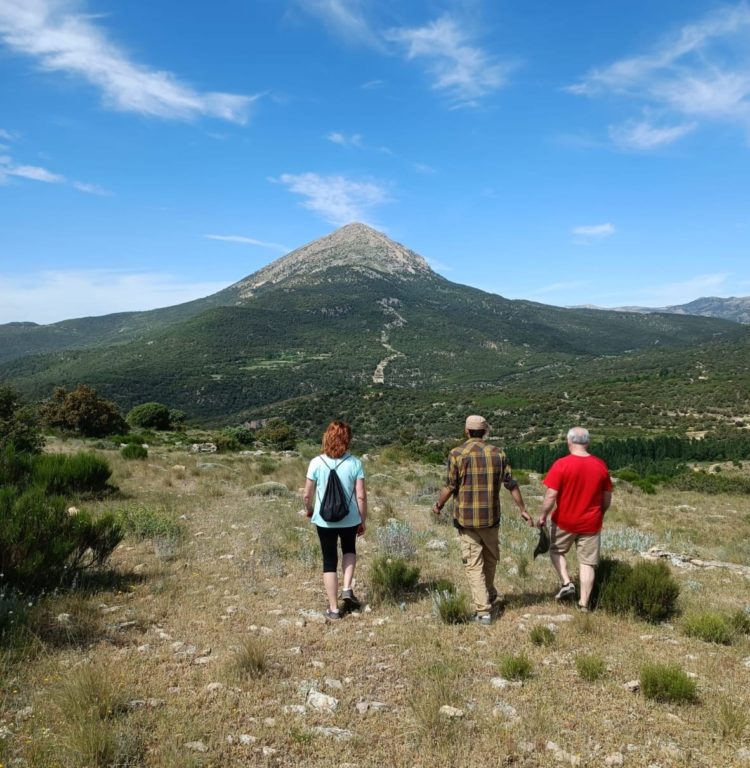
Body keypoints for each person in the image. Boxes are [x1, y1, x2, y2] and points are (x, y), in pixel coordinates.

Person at [433, 415, 533, 624]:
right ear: (485, 432)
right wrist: (522, 509)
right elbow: (511, 484)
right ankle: (488, 592)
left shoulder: (457, 454)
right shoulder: (498, 454)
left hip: (467, 520)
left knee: (473, 564)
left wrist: (438, 505)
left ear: (467, 431)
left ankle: (483, 611)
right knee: (490, 560)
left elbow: (450, 485)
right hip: (490, 518)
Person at [537, 426, 613, 611]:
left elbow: (551, 495)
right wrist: (599, 513)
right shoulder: (600, 465)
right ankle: (583, 604)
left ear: (569, 442)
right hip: (591, 523)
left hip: (565, 520)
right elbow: (607, 497)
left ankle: (566, 583)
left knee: (556, 550)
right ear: (587, 443)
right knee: (587, 562)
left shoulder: (562, 464)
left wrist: (543, 516)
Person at [303, 420, 367, 620]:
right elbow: (361, 496)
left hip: (324, 521)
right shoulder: (355, 463)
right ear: (347, 440)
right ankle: (347, 587)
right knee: (349, 549)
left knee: (329, 561)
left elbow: (307, 494)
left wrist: (309, 510)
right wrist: (362, 519)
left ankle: (334, 609)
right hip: (349, 519)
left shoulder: (316, 462)